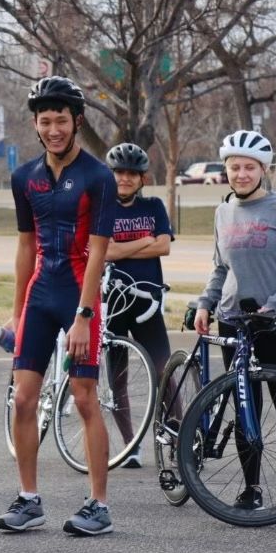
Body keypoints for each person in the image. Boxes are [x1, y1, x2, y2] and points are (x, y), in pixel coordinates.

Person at [0, 76, 117, 536]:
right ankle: (29, 500)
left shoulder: (98, 177)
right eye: (45, 121)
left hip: (78, 296)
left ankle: (99, 505)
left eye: (61, 121)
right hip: (39, 297)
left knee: (85, 399)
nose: (53, 129)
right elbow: (26, 246)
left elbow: (99, 251)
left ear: (77, 121)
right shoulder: (24, 177)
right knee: (24, 398)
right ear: (36, 124)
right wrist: (17, 311)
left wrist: (85, 316)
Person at [193, 130, 276, 516]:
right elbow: (220, 268)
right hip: (234, 322)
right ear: (227, 170)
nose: (242, 173)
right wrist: (206, 304)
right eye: (235, 167)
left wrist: (274, 307)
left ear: (264, 170)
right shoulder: (222, 212)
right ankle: (250, 489)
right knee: (245, 406)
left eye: (249, 167)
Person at [102, 142, 173, 469]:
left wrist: (127, 246)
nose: (125, 178)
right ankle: (130, 445)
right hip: (113, 302)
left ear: (142, 179)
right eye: (119, 172)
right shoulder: (101, 209)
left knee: (164, 370)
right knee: (117, 379)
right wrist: (146, 242)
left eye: (132, 173)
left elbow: (163, 247)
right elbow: (107, 253)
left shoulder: (155, 206)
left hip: (147, 301)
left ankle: (181, 435)